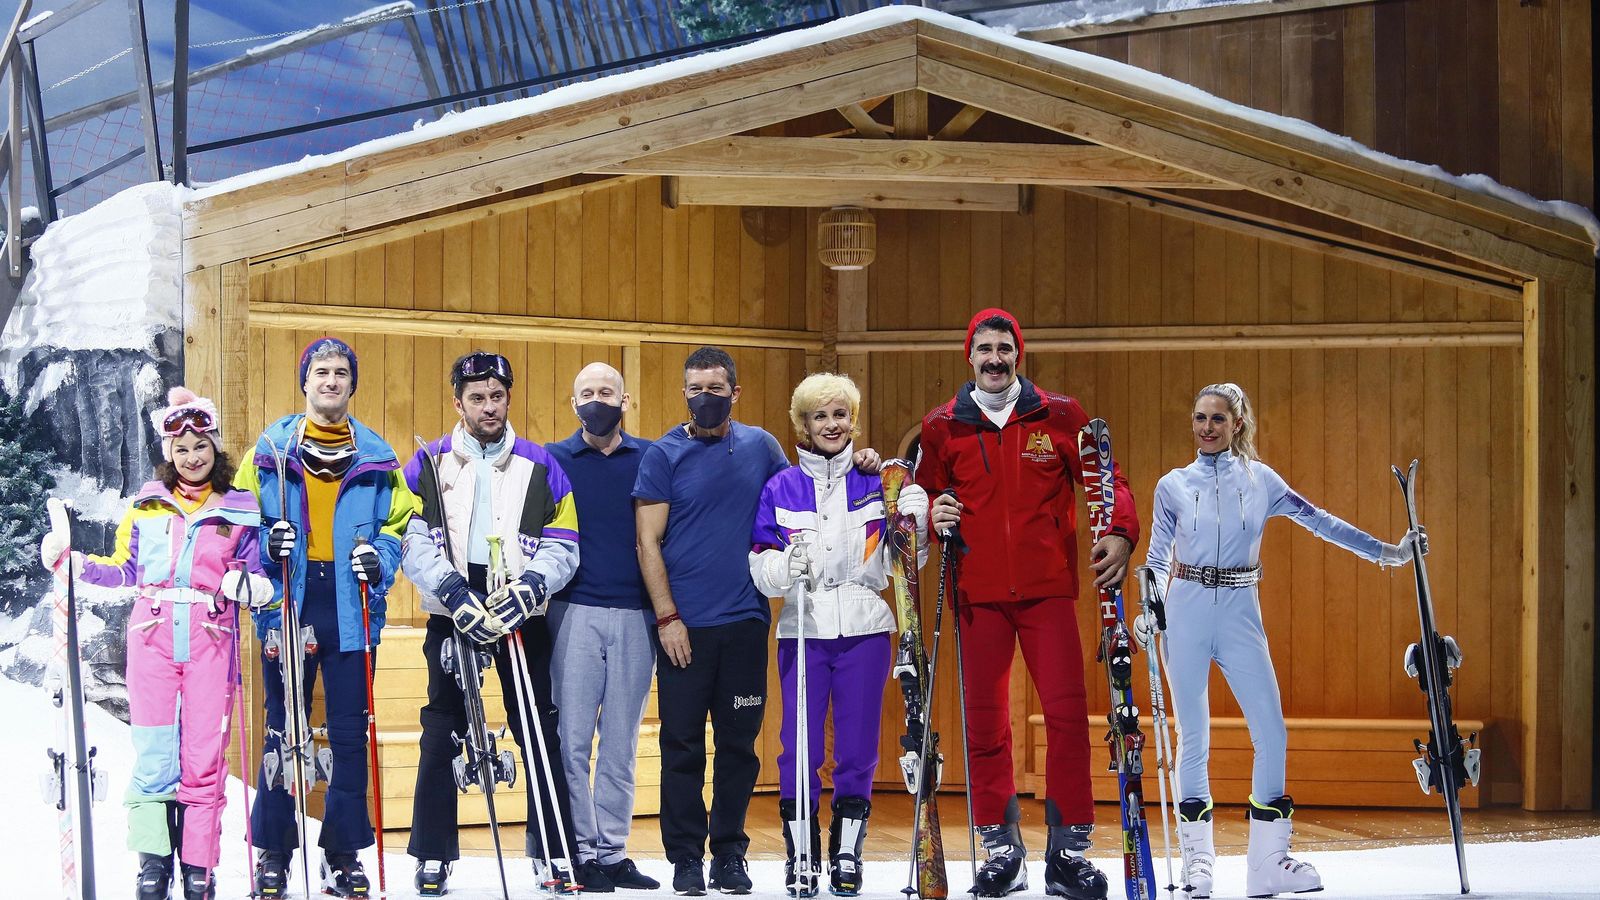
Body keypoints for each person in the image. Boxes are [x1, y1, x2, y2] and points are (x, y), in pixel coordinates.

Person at [1142, 382, 1424, 899]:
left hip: (1240, 610)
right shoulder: (1172, 486)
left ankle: (1268, 861)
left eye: (1217, 419)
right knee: (1194, 736)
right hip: (1184, 609)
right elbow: (1158, 558)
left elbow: (1320, 521)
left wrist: (1389, 553)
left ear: (1238, 424)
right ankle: (1199, 862)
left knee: (1271, 730)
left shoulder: (1261, 480)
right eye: (1200, 418)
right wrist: (1151, 603)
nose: (1206, 428)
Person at [916, 308, 1139, 900]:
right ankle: (999, 849)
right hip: (977, 595)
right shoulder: (942, 427)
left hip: (1047, 592)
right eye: (984, 349)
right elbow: (925, 498)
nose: (994, 359)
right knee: (985, 725)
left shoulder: (1059, 415)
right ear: (970, 356)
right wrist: (933, 516)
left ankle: (1067, 853)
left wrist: (1118, 528)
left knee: (1067, 719)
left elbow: (1105, 477)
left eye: (1004, 349)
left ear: (1020, 354)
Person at [40, 387, 271, 900]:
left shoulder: (239, 508)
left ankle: (197, 866)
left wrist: (251, 586)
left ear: (215, 447)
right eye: (182, 449)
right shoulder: (146, 505)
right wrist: (73, 564)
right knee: (153, 755)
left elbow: (260, 576)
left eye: (201, 446)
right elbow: (123, 570)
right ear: (169, 454)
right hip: (152, 641)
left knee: (203, 757)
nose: (192, 457)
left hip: (212, 642)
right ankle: (153, 860)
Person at [236, 337, 418, 898]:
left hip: (350, 603)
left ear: (352, 383)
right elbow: (236, 525)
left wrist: (380, 558)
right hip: (289, 599)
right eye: (321, 371)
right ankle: (273, 852)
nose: (331, 381)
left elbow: (401, 524)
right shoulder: (269, 448)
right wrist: (268, 543)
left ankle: (343, 855)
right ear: (305, 380)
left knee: (348, 734)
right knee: (281, 731)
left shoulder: (378, 455)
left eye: (341, 373)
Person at [400, 350, 584, 896]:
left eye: (497, 396)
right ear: (458, 403)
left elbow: (565, 542)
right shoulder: (428, 462)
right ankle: (433, 855)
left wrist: (529, 591)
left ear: (508, 398)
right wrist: (452, 592)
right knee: (440, 729)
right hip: (452, 607)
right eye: (476, 398)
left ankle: (553, 853)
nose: (488, 407)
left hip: (517, 609)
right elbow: (407, 537)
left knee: (537, 728)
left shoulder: (541, 463)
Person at [748, 372, 929, 897]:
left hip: (865, 627)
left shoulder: (878, 482)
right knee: (796, 746)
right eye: (820, 416)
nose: (832, 424)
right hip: (802, 625)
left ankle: (847, 852)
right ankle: (800, 854)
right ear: (802, 424)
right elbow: (759, 562)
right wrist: (787, 566)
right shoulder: (780, 486)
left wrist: (911, 525)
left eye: (840, 415)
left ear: (853, 419)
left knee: (857, 746)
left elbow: (904, 565)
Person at [633, 346, 793, 897]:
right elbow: (647, 542)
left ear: (735, 392)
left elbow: (796, 502)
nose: (705, 398)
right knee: (680, 745)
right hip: (683, 629)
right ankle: (684, 858)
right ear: (684, 392)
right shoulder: (662, 454)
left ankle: (729, 852)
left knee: (738, 747)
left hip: (745, 624)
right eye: (695, 389)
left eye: (715, 389)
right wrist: (668, 617)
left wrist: (866, 465)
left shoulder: (763, 447)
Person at [544, 362, 661, 893]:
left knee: (621, 742)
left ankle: (612, 853)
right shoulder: (554, 460)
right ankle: (579, 852)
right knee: (572, 741)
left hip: (637, 614)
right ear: (574, 404)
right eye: (587, 392)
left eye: (606, 392)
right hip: (573, 611)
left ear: (625, 400)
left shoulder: (650, 459)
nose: (597, 400)